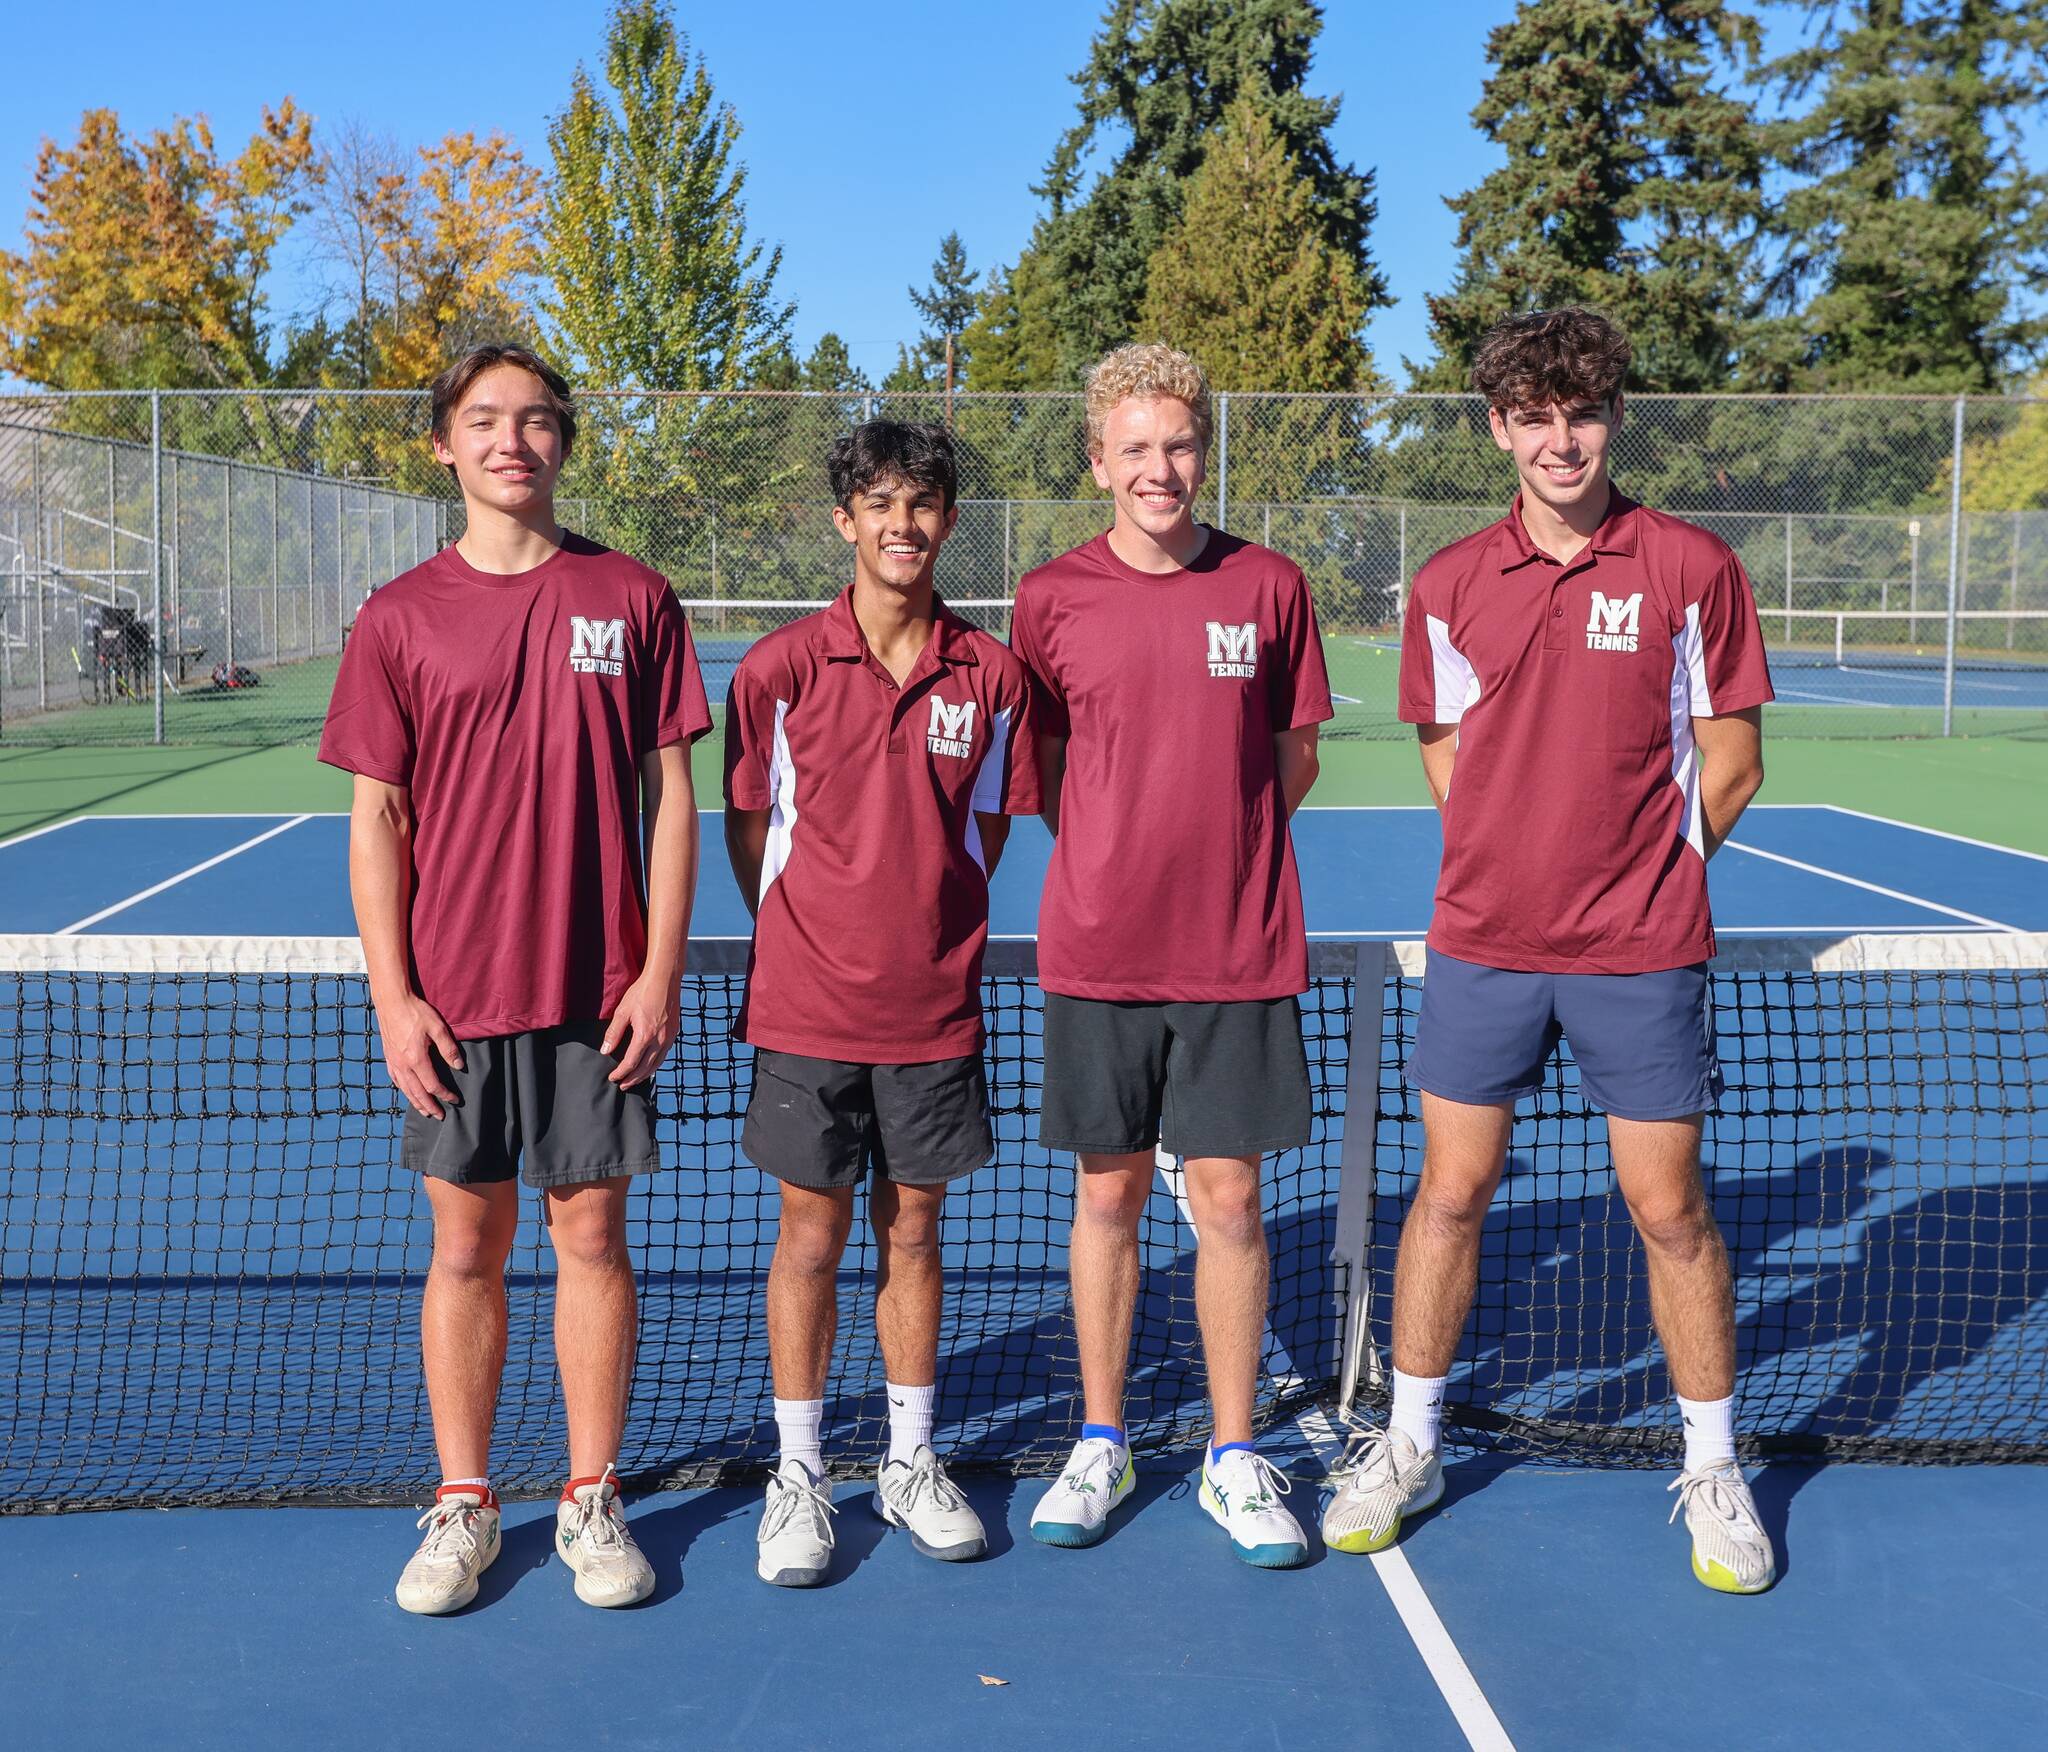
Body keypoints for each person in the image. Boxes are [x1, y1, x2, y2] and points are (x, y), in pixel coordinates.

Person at [1322, 307, 1778, 1594]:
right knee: (1450, 1194)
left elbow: (1732, 758)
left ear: (1614, 419)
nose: (1559, 438)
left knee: (1667, 1211)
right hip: (1484, 947)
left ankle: (1709, 1465)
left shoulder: (1689, 568)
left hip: (1640, 951)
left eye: (1580, 412)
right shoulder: (1449, 584)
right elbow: (1442, 750)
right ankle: (1406, 1442)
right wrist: (1507, 861)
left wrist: (1646, 874)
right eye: (1533, 415)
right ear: (1497, 429)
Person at [319, 343, 710, 1615]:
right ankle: (468, 1501)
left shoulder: (634, 597)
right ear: (443, 444)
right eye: (484, 420)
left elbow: (670, 800)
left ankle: (591, 1497)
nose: (511, 441)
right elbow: (376, 821)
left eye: (537, 421)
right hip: (454, 996)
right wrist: (394, 996)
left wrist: (656, 971)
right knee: (465, 1248)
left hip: (597, 995)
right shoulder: (394, 617)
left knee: (591, 1238)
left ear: (563, 444)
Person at [1009, 344, 1331, 1567]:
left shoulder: (1269, 587)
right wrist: (1116, 854)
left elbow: (1291, 759)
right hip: (1097, 949)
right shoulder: (1049, 598)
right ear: (1097, 461)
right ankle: (1101, 1438)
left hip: (1236, 952)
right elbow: (1039, 768)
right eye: (1133, 448)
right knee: (1107, 1195)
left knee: (1231, 1202)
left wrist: (1221, 857)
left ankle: (1235, 1455)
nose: (1159, 469)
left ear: (1206, 450)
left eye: (1179, 445)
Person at [723, 420, 1040, 1587]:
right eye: (879, 504)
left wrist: (924, 922)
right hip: (804, 1010)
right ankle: (799, 1472)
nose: (901, 524)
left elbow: (991, 825)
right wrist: (819, 933)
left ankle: (909, 1459)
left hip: (933, 1012)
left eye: (923, 504)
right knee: (808, 1235)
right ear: (844, 520)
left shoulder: (993, 675)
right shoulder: (777, 671)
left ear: (948, 521)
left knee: (916, 1230)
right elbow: (749, 830)